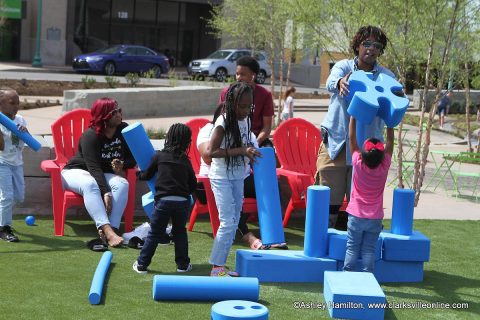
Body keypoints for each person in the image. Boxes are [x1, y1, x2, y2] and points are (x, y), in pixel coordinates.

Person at [315, 25, 397, 230]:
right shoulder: (344, 67)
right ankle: (323, 246)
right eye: (366, 43)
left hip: (366, 149)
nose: (371, 48)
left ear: (380, 50)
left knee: (359, 201)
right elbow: (331, 82)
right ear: (357, 46)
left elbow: (394, 99)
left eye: (376, 45)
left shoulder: (386, 76)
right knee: (328, 196)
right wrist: (341, 82)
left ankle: (356, 251)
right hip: (336, 143)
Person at [197, 105, 286, 250]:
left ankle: (273, 234)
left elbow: (259, 160)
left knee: (270, 187)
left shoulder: (246, 132)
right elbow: (208, 157)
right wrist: (240, 150)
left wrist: (267, 154)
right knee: (231, 201)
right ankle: (249, 237)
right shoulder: (210, 129)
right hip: (215, 179)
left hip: (241, 177)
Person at [61, 98, 136, 249]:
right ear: (104, 117)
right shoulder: (90, 136)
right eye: (114, 112)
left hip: (101, 174)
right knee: (90, 183)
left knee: (122, 184)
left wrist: (122, 165)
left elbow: (133, 157)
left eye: (119, 110)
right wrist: (106, 192)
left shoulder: (123, 130)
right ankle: (106, 230)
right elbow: (93, 167)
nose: (119, 114)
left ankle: (113, 229)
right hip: (76, 172)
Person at [208, 81, 261, 276]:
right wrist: (242, 151)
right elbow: (210, 151)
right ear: (231, 103)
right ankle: (216, 268)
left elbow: (246, 142)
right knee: (228, 222)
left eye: (249, 106)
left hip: (238, 176)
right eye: (242, 106)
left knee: (235, 219)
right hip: (221, 177)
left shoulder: (245, 120)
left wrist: (251, 153)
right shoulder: (223, 122)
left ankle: (220, 265)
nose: (246, 110)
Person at [133, 123, 196, 274]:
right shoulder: (185, 161)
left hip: (163, 201)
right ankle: (182, 265)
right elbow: (193, 184)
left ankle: (142, 265)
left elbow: (146, 175)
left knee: (155, 233)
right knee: (179, 232)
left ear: (168, 138)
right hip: (182, 202)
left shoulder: (159, 156)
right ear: (187, 142)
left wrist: (137, 173)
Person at [343, 117, 393, 273]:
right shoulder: (384, 166)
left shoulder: (358, 163)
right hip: (375, 217)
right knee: (369, 250)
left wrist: (353, 117)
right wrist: (390, 123)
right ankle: (367, 277)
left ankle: (347, 275)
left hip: (356, 215)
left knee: (352, 247)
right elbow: (391, 144)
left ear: (363, 154)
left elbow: (351, 138)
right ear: (382, 156)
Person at [218, 56, 274, 147]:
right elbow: (220, 120)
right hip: (231, 139)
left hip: (256, 140)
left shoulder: (265, 95)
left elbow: (267, 127)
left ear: (253, 76)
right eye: (237, 74)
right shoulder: (226, 93)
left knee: (270, 154)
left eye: (242, 74)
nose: (238, 78)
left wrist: (255, 143)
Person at [0, 88, 26, 242]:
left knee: (18, 197)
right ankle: (4, 228)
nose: (16, 106)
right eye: (12, 103)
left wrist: (25, 132)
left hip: (17, 163)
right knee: (7, 197)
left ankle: (2, 217)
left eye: (18, 103)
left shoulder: (20, 119)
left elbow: (22, 145)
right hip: (2, 162)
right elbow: (2, 147)